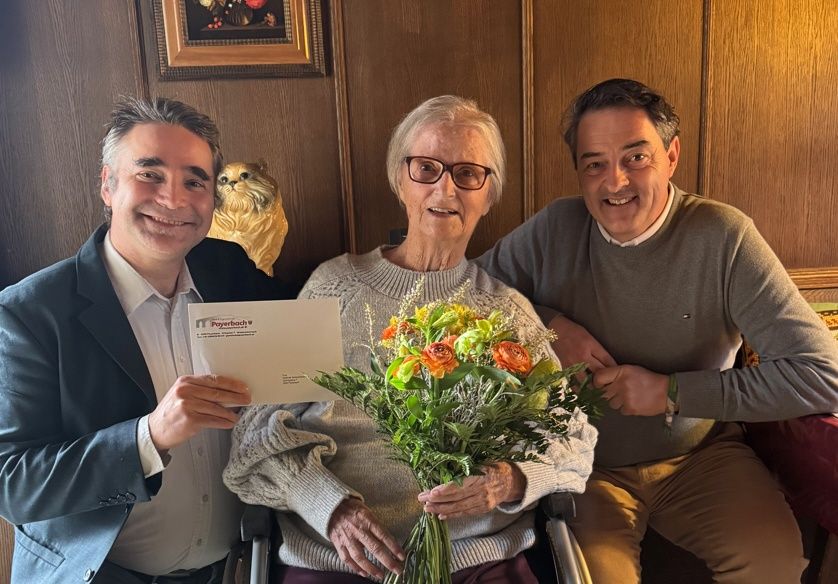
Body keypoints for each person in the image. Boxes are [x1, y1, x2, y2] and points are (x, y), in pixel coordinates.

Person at [223, 95, 597, 583]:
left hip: (477, 559)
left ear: (489, 194)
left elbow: (572, 434)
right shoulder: (333, 287)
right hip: (339, 559)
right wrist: (329, 507)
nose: (446, 187)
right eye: (427, 168)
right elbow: (258, 430)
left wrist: (507, 481)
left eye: (468, 173)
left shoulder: (505, 313)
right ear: (400, 179)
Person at [477, 77, 838, 583]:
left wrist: (670, 392)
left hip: (701, 458)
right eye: (594, 164)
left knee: (773, 563)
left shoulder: (724, 237)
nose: (615, 182)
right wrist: (549, 327)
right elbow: (465, 298)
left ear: (671, 156)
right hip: (584, 468)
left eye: (635, 157)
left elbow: (822, 374)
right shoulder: (554, 227)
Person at [0, 97, 294, 584]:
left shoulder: (229, 270)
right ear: (108, 184)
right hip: (95, 575)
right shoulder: (29, 313)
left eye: (195, 181)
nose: (174, 200)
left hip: (225, 572)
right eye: (150, 175)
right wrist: (149, 437)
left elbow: (310, 328)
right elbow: (12, 485)